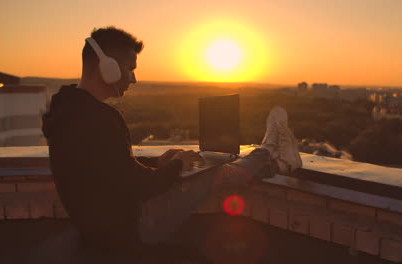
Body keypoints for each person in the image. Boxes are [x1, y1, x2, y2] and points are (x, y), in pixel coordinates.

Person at [42, 26, 302, 263]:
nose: (133, 79)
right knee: (215, 173)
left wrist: (158, 163)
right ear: (107, 67)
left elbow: (110, 169)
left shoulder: (68, 111)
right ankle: (270, 150)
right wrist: (177, 166)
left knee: (205, 168)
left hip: (99, 229)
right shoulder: (99, 118)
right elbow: (139, 186)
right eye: (130, 68)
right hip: (131, 229)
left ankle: (275, 161)